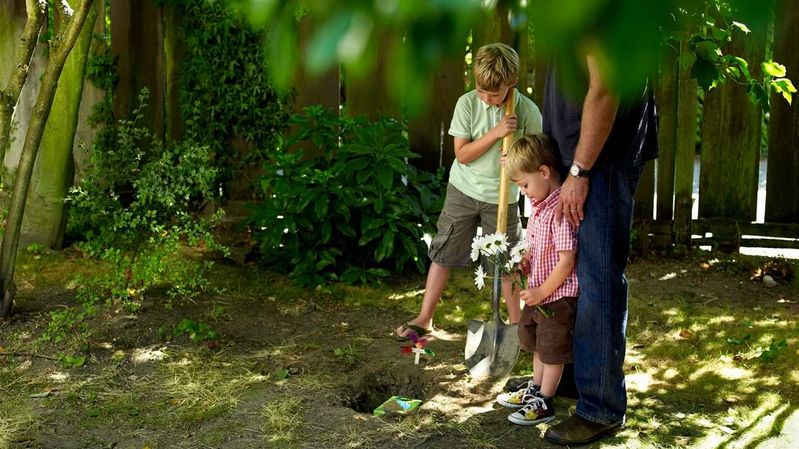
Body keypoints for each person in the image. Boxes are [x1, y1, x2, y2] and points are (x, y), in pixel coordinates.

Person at [541, 54, 658, 445]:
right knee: (574, 275)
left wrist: (580, 170)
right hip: (582, 161)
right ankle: (576, 378)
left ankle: (601, 407)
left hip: (598, 164)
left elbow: (605, 88)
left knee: (598, 281)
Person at [394, 43, 542, 339]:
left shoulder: (527, 112)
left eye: (494, 93)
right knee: (444, 251)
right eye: (481, 89)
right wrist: (496, 133)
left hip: (502, 198)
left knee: (508, 263)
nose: (486, 97)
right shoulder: (467, 104)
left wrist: (515, 159)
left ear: (512, 82)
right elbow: (462, 154)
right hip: (463, 190)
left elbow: (536, 157)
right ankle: (425, 318)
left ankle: (516, 328)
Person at [495, 134, 579, 427]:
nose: (524, 192)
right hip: (539, 293)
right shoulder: (539, 208)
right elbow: (538, 246)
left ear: (544, 172)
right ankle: (535, 388)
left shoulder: (559, 212)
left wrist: (542, 290)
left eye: (525, 185)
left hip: (556, 297)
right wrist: (525, 262)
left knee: (552, 350)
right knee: (539, 344)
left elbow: (567, 260)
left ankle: (545, 400)